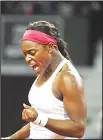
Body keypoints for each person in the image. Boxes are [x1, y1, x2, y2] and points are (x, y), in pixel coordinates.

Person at [4, 20, 87, 139]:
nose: (27, 59)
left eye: (32, 53)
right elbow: (38, 123)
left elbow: (79, 129)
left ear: (50, 48)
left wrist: (39, 118)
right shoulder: (43, 69)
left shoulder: (67, 78)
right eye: (25, 54)